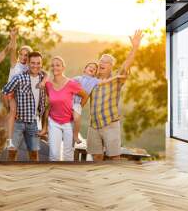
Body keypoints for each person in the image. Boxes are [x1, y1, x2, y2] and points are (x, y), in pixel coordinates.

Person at [87, 30, 144, 161]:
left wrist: (135, 47)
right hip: (93, 124)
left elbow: (127, 64)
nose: (101, 63)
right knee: (96, 156)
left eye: (106, 62)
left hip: (110, 124)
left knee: (114, 157)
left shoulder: (116, 79)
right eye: (100, 61)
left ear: (111, 67)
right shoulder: (92, 79)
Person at [2, 51, 46, 161]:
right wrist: (10, 109)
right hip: (18, 122)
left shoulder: (43, 79)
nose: (35, 65)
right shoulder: (19, 78)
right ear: (28, 63)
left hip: (33, 122)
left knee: (34, 154)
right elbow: (5, 91)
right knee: (12, 153)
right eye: (33, 63)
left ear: (41, 64)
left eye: (38, 63)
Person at [42, 56, 89, 161]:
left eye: (58, 65)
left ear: (63, 68)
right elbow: (48, 103)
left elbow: (85, 96)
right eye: (53, 65)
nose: (55, 67)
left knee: (68, 155)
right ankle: (54, 176)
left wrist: (77, 109)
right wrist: (45, 126)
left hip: (69, 123)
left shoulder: (71, 83)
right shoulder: (48, 85)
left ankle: (66, 176)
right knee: (54, 154)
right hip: (53, 122)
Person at [71, 62, 127, 144]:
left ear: (95, 74)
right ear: (84, 69)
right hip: (70, 100)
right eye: (90, 67)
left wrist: (117, 76)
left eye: (94, 69)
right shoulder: (78, 78)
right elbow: (67, 83)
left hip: (78, 104)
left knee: (76, 119)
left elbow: (106, 81)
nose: (92, 69)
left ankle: (75, 136)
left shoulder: (94, 81)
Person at [4, 29, 34, 150]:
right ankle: (9, 140)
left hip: (23, 96)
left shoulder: (30, 68)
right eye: (21, 54)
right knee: (13, 112)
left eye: (26, 55)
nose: (23, 57)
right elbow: (12, 50)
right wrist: (13, 38)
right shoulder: (14, 64)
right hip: (11, 93)